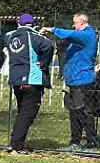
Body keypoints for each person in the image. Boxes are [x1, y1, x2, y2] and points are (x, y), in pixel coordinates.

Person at [41, 13, 99, 150]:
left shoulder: (88, 35)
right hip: (72, 81)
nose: (73, 26)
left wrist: (52, 29)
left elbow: (71, 34)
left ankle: (92, 142)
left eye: (75, 23)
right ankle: (75, 142)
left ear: (82, 22)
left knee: (84, 111)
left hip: (83, 80)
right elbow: (69, 38)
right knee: (74, 112)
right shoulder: (78, 37)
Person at [4, 14, 53, 154]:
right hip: (32, 79)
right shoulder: (34, 36)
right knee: (27, 114)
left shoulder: (9, 36)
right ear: (32, 24)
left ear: (18, 23)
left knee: (22, 113)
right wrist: (43, 64)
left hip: (16, 80)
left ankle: (17, 143)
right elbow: (49, 46)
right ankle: (16, 145)